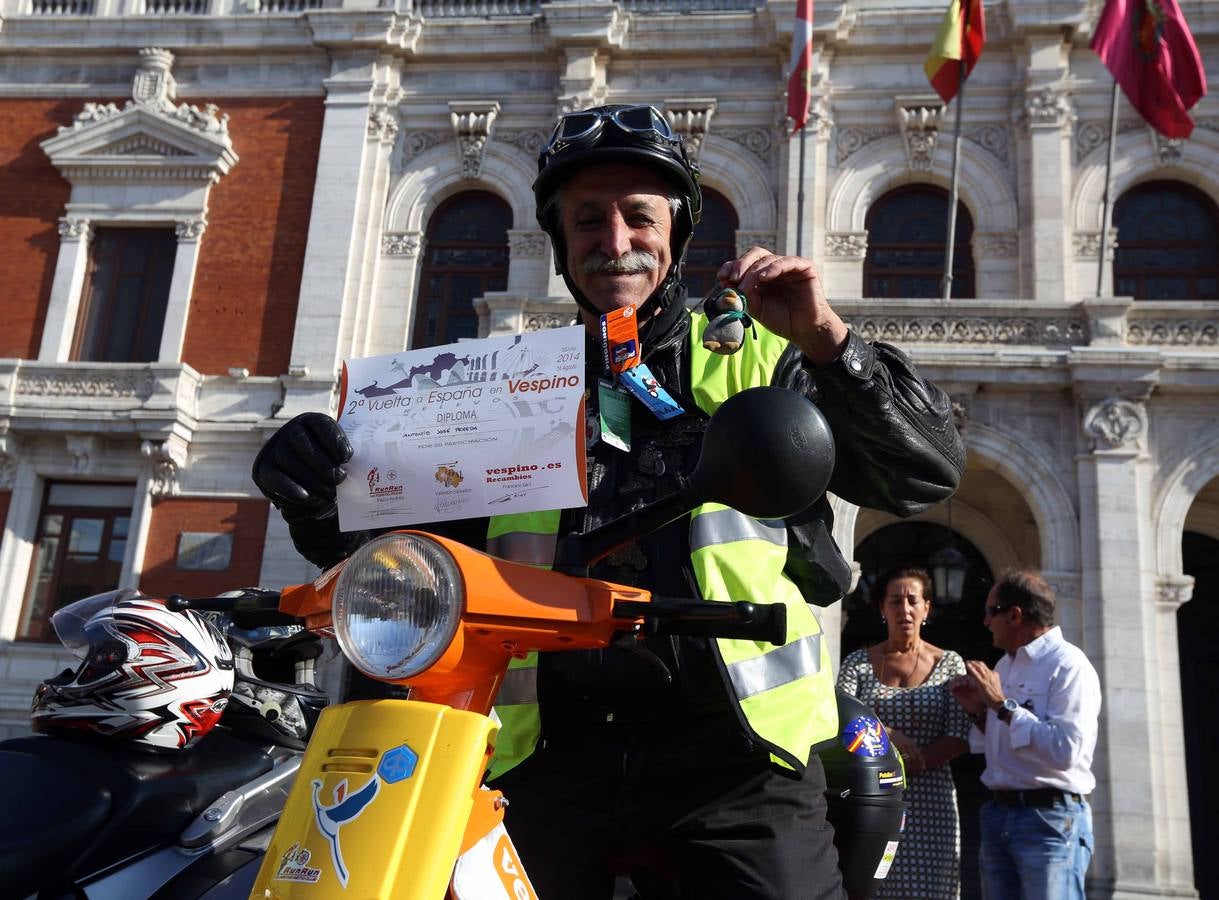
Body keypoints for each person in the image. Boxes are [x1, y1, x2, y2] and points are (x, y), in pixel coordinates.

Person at [252, 103, 966, 899]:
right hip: (546, 757)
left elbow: (921, 475)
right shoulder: (501, 385)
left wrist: (828, 340)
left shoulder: (768, 356)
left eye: (638, 216)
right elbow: (395, 562)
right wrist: (314, 489)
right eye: (587, 220)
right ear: (559, 243)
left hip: (734, 762)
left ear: (677, 233)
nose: (614, 240)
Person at [949, 569, 1101, 900]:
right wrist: (978, 711)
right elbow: (1004, 743)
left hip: (1049, 819)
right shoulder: (1005, 665)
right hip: (999, 813)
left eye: (991, 612)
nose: (986, 622)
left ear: (1015, 615)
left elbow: (1066, 751)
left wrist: (1002, 705)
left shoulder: (1069, 665)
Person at [836, 566, 971, 899]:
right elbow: (839, 714)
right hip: (874, 799)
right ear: (882, 608)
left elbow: (959, 734)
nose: (905, 609)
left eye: (913, 600)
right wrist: (888, 735)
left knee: (931, 890)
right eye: (895, 601)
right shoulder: (858, 663)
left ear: (927, 608)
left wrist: (917, 763)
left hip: (932, 802)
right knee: (872, 886)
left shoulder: (950, 663)